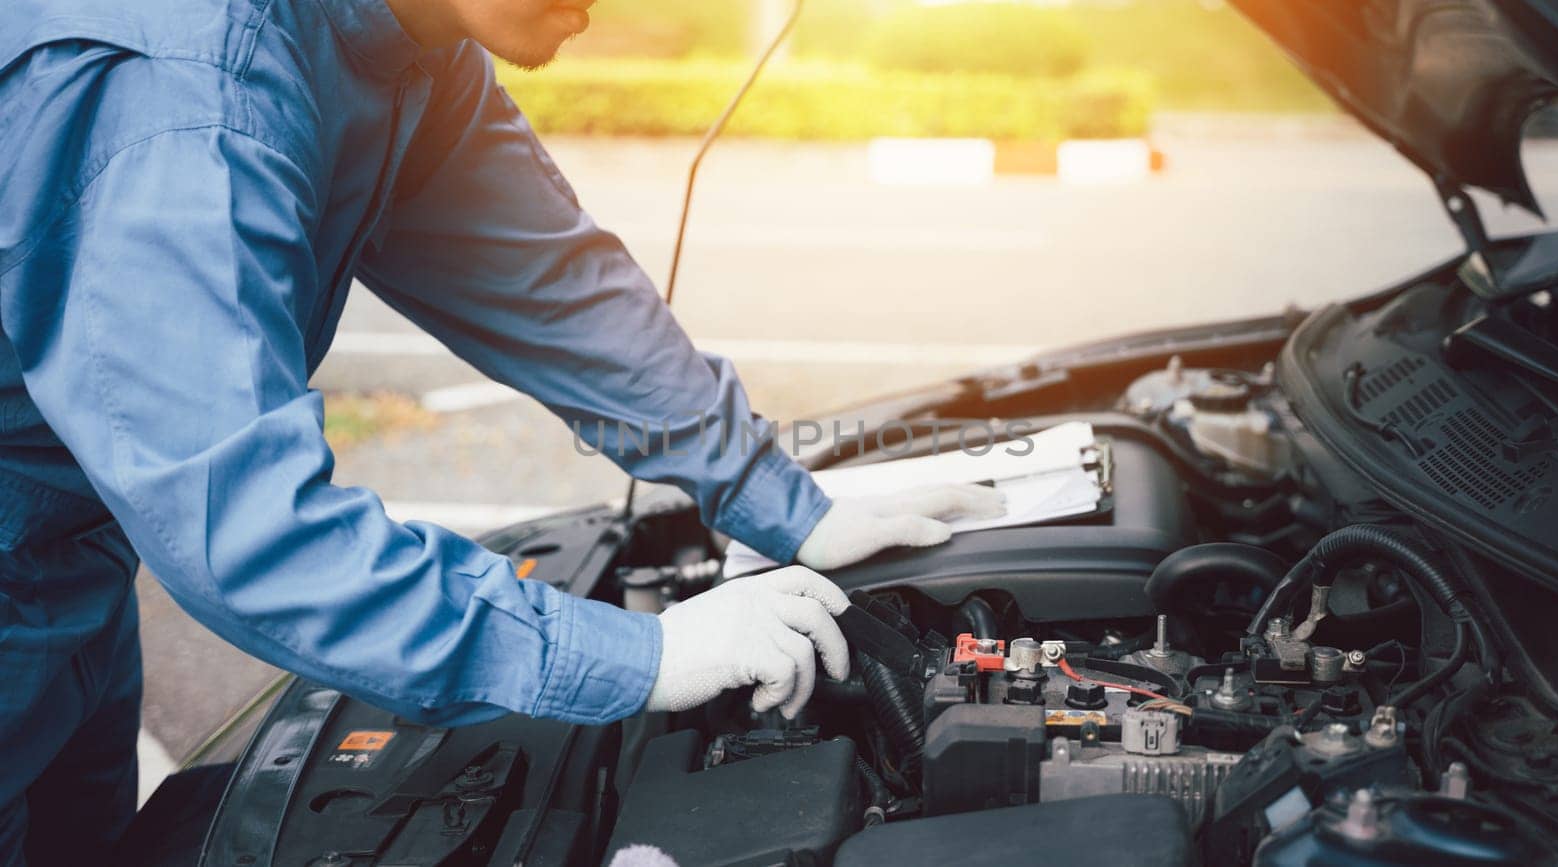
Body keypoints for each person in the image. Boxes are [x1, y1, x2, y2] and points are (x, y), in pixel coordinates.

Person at [0, 0, 1004, 862]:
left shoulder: (404, 45)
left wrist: (793, 507)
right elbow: (251, 531)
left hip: (68, 576)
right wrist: (638, 659)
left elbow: (551, 289)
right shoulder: (181, 100)